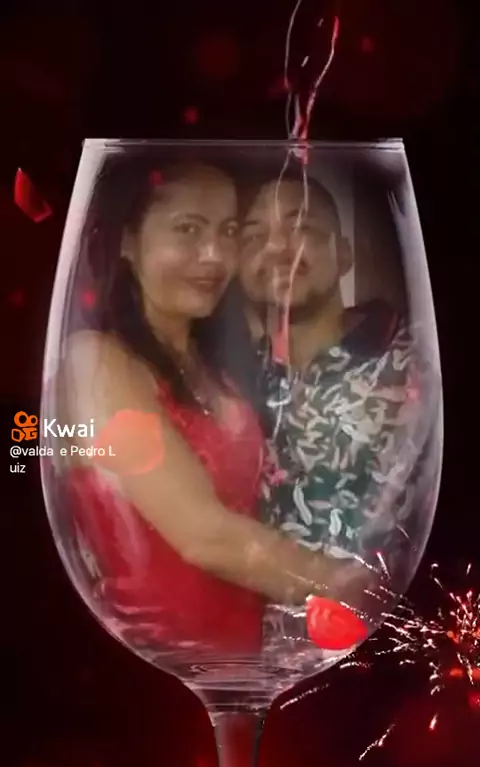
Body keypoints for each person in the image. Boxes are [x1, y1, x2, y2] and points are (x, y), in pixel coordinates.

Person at [55, 155, 373, 655]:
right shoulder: (92, 360)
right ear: (127, 241)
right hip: (152, 669)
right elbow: (202, 534)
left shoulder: (220, 365)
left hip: (250, 662)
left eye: (227, 232)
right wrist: (340, 581)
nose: (214, 255)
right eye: (188, 229)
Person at [238, 166, 422, 572]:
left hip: (382, 606)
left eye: (301, 227)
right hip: (251, 608)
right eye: (253, 236)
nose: (276, 247)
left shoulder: (409, 363)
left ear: (344, 254)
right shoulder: (231, 378)